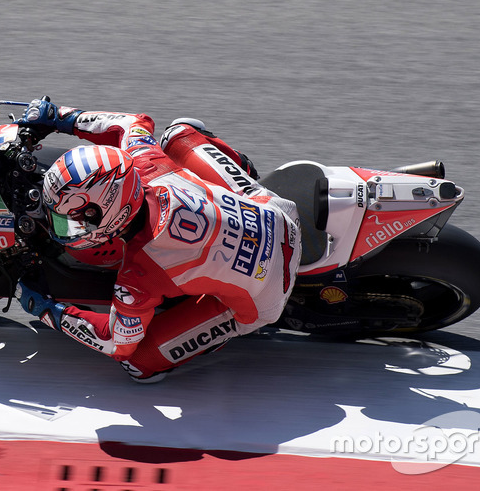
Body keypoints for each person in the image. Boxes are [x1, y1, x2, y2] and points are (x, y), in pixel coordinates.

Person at [17, 97, 302, 382]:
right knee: (179, 133)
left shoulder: (139, 275)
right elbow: (131, 123)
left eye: (72, 221)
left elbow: (117, 344)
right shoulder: (147, 164)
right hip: (278, 212)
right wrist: (60, 117)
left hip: (267, 299)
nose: (66, 230)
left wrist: (48, 310)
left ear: (110, 213)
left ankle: (223, 331)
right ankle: (243, 169)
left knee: (139, 365)